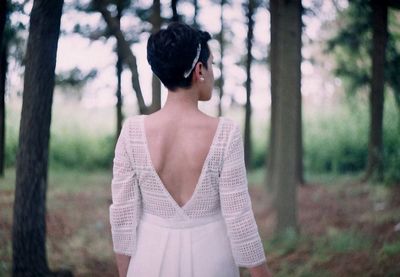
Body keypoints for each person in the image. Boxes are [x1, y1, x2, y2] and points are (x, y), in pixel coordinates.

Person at [109, 22, 273, 277]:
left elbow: (122, 216)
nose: (213, 72)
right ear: (199, 70)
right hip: (212, 262)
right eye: (212, 65)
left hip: (149, 262)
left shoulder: (132, 133)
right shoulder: (225, 133)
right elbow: (239, 217)